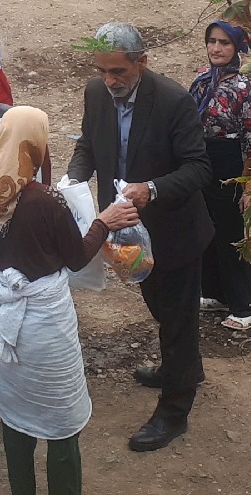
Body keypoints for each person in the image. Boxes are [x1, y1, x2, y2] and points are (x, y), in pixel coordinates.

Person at [0, 106, 141, 495]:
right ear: (34, 146)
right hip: (43, 325)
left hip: (3, 320)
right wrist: (104, 222)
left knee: (15, 413)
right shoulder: (43, 200)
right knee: (62, 419)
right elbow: (77, 258)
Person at [66, 22, 212, 452]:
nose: (109, 81)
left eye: (118, 72)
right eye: (102, 71)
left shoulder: (173, 101)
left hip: (175, 231)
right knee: (158, 305)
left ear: (142, 63)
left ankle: (174, 411)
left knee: (178, 320)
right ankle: (184, 368)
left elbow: (199, 168)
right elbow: (88, 147)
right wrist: (72, 183)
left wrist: (152, 189)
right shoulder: (96, 94)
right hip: (128, 231)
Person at [189, 20, 251, 331]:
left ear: (236, 48)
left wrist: (249, 185)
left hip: (231, 165)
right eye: (212, 41)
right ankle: (214, 292)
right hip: (201, 162)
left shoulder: (245, 89)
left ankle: (244, 305)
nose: (216, 48)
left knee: (231, 234)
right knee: (205, 228)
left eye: (224, 43)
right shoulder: (202, 81)